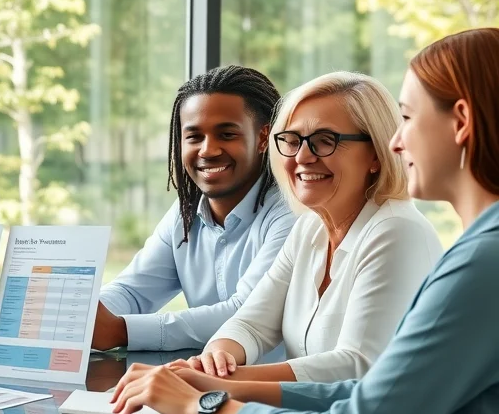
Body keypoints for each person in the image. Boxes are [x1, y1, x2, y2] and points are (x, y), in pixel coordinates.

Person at [108, 27, 499, 414]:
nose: (400, 140)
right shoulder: (318, 228)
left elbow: (355, 411)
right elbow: (357, 393)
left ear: (460, 121)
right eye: (291, 141)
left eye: (407, 118)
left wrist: (208, 403)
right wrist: (212, 381)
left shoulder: (467, 258)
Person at [179, 71, 442, 382]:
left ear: (376, 153)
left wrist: (220, 383)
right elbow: (249, 324)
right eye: (291, 140)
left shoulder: (397, 231)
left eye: (324, 141)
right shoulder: (309, 229)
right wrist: (216, 359)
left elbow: (358, 365)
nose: (302, 156)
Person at [92, 65, 296, 352]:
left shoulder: (291, 213)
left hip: (271, 393)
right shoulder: (185, 213)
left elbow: (245, 313)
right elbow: (132, 292)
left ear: (263, 138)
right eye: (194, 136)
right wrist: (78, 315)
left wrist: (120, 331)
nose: (207, 150)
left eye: (227, 135)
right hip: (202, 385)